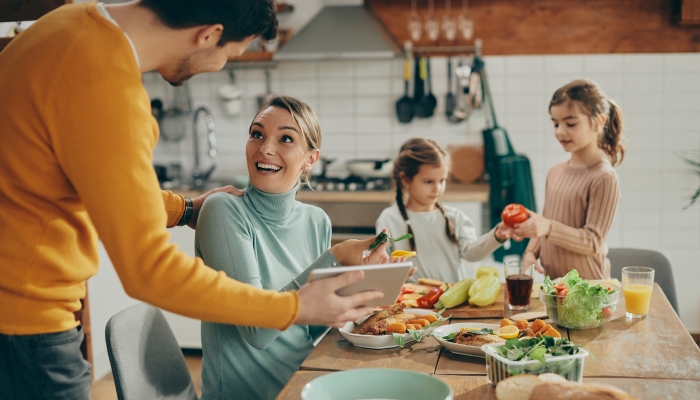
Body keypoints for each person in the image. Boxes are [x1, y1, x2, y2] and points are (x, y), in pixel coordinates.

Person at [0, 2, 386, 399]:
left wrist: (183, 209)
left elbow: (84, 179)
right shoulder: (105, 85)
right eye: (229, 55)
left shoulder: (70, 25)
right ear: (208, 35)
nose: (219, 67)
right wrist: (292, 308)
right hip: (24, 320)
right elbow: (146, 269)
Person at [195, 95, 406, 400]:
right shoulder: (222, 211)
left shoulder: (315, 220)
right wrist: (332, 259)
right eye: (257, 134)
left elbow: (309, 330)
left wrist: (363, 289)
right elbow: (258, 331)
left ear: (310, 159)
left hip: (304, 384)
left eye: (285, 138)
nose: (265, 148)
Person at [514, 79, 624, 280]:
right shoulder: (555, 172)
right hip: (556, 288)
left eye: (570, 123)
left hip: (589, 290)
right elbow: (548, 219)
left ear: (598, 122)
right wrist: (531, 251)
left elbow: (592, 242)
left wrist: (547, 227)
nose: (559, 131)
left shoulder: (604, 177)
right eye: (555, 123)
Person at [376, 138, 515, 283]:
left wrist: (497, 236)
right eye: (429, 182)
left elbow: (471, 253)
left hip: (451, 300)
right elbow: (382, 266)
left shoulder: (455, 217)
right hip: (411, 300)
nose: (438, 188)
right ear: (405, 179)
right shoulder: (389, 219)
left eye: (442, 180)